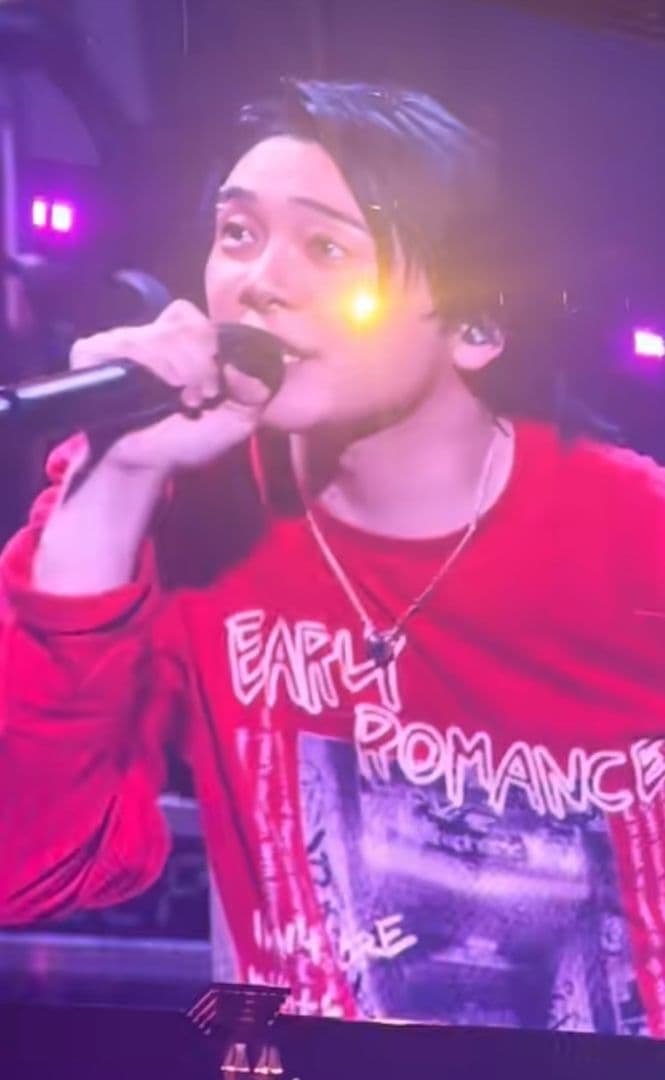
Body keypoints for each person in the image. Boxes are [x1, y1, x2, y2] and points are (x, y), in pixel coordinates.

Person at [0, 77, 663, 1036]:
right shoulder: (181, 508)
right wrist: (115, 481)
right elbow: (24, 864)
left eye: (326, 248)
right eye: (237, 234)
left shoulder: (632, 533)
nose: (260, 282)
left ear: (474, 325)